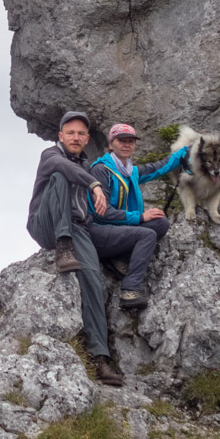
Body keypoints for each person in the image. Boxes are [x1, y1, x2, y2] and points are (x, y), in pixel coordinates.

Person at [26, 111, 124, 387]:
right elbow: (64, 169)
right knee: (60, 175)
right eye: (70, 132)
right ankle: (63, 245)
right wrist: (93, 184)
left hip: (78, 227)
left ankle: (100, 357)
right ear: (60, 136)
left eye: (81, 134)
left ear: (87, 138)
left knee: (93, 280)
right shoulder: (50, 155)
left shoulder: (87, 165)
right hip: (45, 223)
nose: (76, 137)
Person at [87, 123, 189, 309]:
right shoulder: (101, 170)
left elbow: (156, 168)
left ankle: (118, 258)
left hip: (117, 232)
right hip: (97, 234)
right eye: (121, 140)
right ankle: (129, 291)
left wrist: (182, 154)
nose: (127, 144)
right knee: (147, 234)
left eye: (130, 141)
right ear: (111, 144)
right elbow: (102, 213)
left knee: (160, 224)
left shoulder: (128, 171)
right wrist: (140, 217)